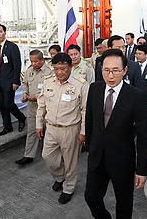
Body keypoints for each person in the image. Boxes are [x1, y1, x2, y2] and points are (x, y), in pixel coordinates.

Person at [84, 49, 147, 219]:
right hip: (97, 156)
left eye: (115, 70)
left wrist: (142, 169)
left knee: (124, 203)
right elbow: (90, 120)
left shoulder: (137, 96)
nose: (110, 75)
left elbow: (143, 136)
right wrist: (90, 147)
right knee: (91, 197)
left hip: (122, 159)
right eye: (106, 70)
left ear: (125, 71)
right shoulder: (95, 89)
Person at [35, 53, 89, 204]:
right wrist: (39, 125)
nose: (59, 72)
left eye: (63, 69)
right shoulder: (48, 82)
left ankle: (68, 188)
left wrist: (83, 132)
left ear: (70, 67)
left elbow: (85, 111)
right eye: (56, 68)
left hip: (70, 129)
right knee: (47, 156)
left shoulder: (81, 85)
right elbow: (42, 105)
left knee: (71, 161)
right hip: (51, 128)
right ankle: (60, 177)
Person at [16, 50, 54, 166]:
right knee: (31, 130)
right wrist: (25, 94)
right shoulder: (29, 71)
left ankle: (54, 155)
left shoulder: (51, 72)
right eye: (31, 61)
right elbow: (25, 84)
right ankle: (28, 155)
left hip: (47, 108)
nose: (33, 64)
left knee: (51, 132)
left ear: (42, 60)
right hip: (32, 107)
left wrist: (36, 97)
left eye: (36, 61)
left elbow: (52, 90)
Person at [0, 24, 26, 136]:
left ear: (5, 32)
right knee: (1, 105)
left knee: (8, 103)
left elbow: (17, 65)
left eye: (0, 31)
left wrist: (16, 81)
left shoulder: (12, 47)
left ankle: (21, 117)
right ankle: (7, 126)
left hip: (9, 82)